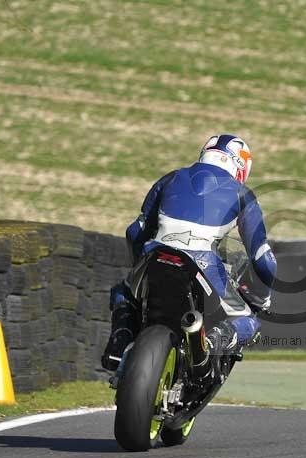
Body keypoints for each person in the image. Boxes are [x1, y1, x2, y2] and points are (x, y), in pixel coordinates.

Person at [101, 134, 277, 378]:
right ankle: (213, 343)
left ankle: (119, 343)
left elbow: (136, 231)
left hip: (154, 256)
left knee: (124, 292)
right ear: (241, 166)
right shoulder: (242, 194)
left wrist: (139, 266)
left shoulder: (172, 177)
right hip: (203, 264)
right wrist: (263, 298)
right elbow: (263, 259)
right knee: (248, 321)